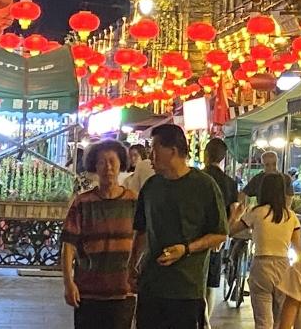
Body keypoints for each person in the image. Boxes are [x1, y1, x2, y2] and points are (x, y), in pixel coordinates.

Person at [128, 123, 228, 329]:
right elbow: (141, 230)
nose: (150, 157)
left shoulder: (204, 185)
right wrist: (131, 265)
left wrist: (186, 249)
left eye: (154, 150)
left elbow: (219, 234)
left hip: (186, 289)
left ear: (172, 151)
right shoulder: (151, 186)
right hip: (151, 286)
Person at [61, 140, 138, 329]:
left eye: (112, 161)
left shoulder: (134, 202)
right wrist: (68, 283)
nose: (108, 167)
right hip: (88, 292)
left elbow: (144, 240)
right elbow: (68, 245)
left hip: (123, 291)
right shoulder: (82, 203)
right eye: (102, 162)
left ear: (121, 164)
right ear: (94, 166)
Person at [230, 171, 301, 329]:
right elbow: (298, 250)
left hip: (261, 267)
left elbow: (230, 231)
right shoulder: (291, 216)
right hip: (283, 267)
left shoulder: (256, 212)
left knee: (263, 322)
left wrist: (236, 215)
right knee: (280, 322)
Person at [200, 137, 242, 305]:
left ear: (206, 155)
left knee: (196, 283)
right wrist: (224, 234)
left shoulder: (197, 178)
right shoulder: (230, 183)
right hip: (216, 239)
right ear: (223, 158)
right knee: (211, 286)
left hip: (194, 237)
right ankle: (206, 318)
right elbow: (234, 213)